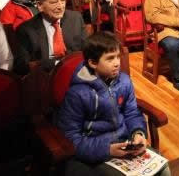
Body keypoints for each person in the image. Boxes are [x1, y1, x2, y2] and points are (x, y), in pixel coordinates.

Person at [56, 32, 171, 176]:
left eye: (118, 56)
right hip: (94, 150)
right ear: (93, 63)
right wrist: (106, 150)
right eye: (110, 59)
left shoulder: (124, 81)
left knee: (163, 169)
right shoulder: (78, 94)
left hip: (124, 143)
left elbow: (132, 113)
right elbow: (70, 137)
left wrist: (138, 132)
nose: (117, 63)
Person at [12, 0, 86, 74]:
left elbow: (86, 52)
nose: (60, 7)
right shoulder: (25, 30)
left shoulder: (75, 19)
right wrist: (56, 64)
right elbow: (21, 66)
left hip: (74, 74)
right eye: (54, 2)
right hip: (43, 78)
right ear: (40, 6)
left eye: (62, 1)